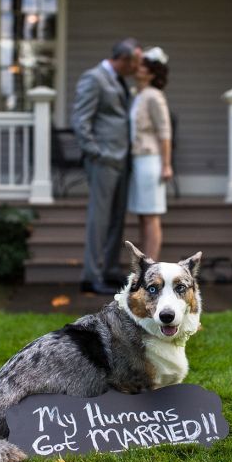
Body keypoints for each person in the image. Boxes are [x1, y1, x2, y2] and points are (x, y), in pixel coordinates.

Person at [73, 38, 142, 294]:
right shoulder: (94, 78)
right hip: (103, 159)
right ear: (123, 60)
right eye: (135, 63)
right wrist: (95, 152)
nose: (137, 68)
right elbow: (81, 120)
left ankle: (110, 268)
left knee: (117, 218)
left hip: (122, 159)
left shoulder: (120, 80)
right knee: (99, 219)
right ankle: (90, 276)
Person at [127, 47, 173, 261]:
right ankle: (144, 262)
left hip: (150, 160)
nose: (140, 68)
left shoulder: (154, 96)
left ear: (153, 73)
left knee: (151, 215)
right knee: (142, 215)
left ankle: (151, 266)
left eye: (145, 66)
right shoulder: (139, 94)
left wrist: (166, 164)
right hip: (137, 160)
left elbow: (164, 131)